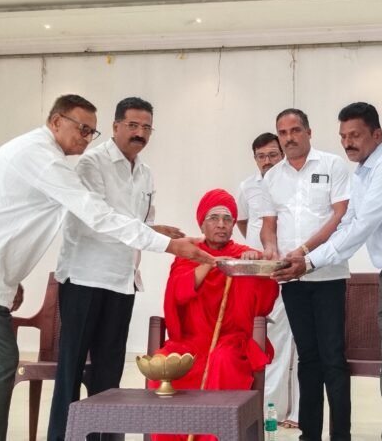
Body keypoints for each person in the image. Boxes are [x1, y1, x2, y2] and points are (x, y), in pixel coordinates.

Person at [0, 94, 213, 440]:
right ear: (56, 122)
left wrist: (9, 278)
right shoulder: (48, 160)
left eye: (91, 131)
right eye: (82, 129)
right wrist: (168, 245)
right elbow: (96, 215)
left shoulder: (55, 157)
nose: (86, 137)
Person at [274, 102, 382, 441]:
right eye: (343, 136)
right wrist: (307, 256)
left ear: (377, 134)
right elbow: (348, 223)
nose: (348, 142)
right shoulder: (363, 173)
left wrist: (309, 262)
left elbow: (364, 225)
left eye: (355, 135)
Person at [47, 96, 186, 441]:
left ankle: (105, 437)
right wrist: (157, 239)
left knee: (109, 374)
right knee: (70, 372)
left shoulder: (145, 172)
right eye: (133, 125)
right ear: (115, 126)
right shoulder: (91, 164)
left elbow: (139, 222)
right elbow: (99, 220)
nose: (140, 133)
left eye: (146, 127)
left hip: (123, 281)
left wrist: (154, 230)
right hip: (85, 278)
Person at [150, 189, 280, 441]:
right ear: (201, 224)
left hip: (230, 340)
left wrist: (250, 268)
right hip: (190, 341)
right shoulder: (188, 253)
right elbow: (177, 294)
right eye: (214, 218)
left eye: (227, 219)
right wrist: (210, 264)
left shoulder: (243, 254)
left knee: (222, 360)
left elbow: (264, 303)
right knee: (164, 365)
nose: (221, 224)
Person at [260, 108, 352, 440]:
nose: (289, 138)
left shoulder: (332, 165)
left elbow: (340, 215)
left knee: (333, 359)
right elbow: (269, 226)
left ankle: (341, 436)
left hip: (328, 276)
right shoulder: (272, 177)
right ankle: (309, 434)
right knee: (308, 359)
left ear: (309, 132)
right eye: (283, 133)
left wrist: (304, 250)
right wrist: (271, 250)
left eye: (295, 130)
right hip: (292, 280)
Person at [237, 132, 300, 429]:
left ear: (282, 154)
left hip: (288, 271)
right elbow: (244, 221)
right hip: (258, 276)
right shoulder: (247, 186)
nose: (267, 161)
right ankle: (265, 407)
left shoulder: (292, 183)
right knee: (264, 341)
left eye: (273, 155)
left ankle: (288, 411)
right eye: (261, 156)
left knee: (290, 344)